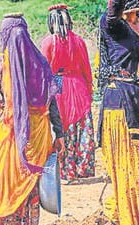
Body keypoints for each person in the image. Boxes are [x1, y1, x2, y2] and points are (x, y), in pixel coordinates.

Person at [0, 13, 65, 224]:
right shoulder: (41, 64)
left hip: (11, 134)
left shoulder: (1, 64)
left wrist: (1, 99)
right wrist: (60, 133)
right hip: (39, 134)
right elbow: (52, 102)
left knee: (2, 179)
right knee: (31, 180)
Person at [41, 4, 95, 183]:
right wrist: (90, 88)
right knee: (81, 128)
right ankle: (81, 169)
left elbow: (44, 71)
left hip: (59, 88)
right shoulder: (78, 41)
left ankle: (67, 171)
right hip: (79, 86)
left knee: (63, 128)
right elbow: (87, 69)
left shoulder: (48, 42)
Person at [98, 0, 139, 224]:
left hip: (134, 99)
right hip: (119, 103)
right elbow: (112, 15)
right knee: (129, 167)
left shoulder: (134, 28)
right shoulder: (114, 26)